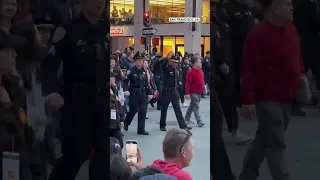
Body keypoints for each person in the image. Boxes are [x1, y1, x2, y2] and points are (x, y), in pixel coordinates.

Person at [42, 0, 109, 179]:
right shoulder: (68, 32)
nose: (99, 3)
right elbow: (49, 65)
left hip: (102, 102)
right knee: (75, 155)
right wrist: (52, 91)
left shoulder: (107, 30)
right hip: (76, 103)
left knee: (103, 156)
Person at [239, 0, 303, 179]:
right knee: (276, 142)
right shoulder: (258, 35)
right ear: (275, 7)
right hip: (267, 98)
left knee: (264, 138)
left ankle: (247, 174)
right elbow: (249, 69)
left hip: (287, 97)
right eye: (288, 4)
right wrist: (247, 100)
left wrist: (301, 77)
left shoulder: (291, 29)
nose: (292, 7)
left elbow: (296, 57)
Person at [0, 29, 45, 179]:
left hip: (21, 167)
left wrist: (35, 169)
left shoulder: (14, 87)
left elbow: (26, 130)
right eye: (9, 50)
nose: (15, 55)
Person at [213, 4, 252, 144]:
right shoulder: (214, 21)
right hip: (218, 70)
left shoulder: (223, 17)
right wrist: (219, 62)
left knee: (228, 99)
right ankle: (222, 133)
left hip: (227, 65)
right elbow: (215, 45)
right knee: (218, 107)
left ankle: (233, 130)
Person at [211, 2, 235, 180]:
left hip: (218, 77)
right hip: (215, 77)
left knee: (217, 125)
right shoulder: (212, 22)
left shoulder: (221, 17)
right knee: (215, 135)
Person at [224, 0, 256, 107]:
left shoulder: (249, 9)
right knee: (237, 73)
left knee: (248, 73)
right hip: (236, 48)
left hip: (249, 48)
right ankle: (237, 98)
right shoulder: (229, 8)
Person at [123, 52, 153, 135]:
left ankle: (141, 129)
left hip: (142, 93)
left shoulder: (144, 71)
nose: (141, 62)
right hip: (134, 93)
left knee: (143, 111)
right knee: (133, 109)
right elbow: (125, 82)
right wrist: (126, 90)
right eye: (139, 60)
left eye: (142, 60)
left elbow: (147, 84)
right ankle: (126, 122)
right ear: (135, 61)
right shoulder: (131, 71)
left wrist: (149, 93)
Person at [159, 56, 191, 132]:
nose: (175, 64)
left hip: (174, 91)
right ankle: (162, 125)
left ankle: (183, 125)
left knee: (177, 109)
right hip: (167, 91)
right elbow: (162, 65)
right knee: (164, 109)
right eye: (173, 62)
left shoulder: (176, 69)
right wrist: (167, 58)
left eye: (176, 62)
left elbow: (178, 78)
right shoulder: (166, 68)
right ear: (170, 62)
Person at [184, 57, 205, 127]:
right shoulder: (190, 72)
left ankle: (187, 118)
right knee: (196, 106)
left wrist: (204, 86)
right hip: (193, 92)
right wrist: (187, 93)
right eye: (199, 62)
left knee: (192, 105)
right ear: (195, 64)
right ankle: (199, 120)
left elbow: (202, 80)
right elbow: (188, 83)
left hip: (199, 92)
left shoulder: (201, 70)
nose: (201, 63)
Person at [110, 72, 125, 148]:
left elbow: (119, 105)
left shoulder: (114, 89)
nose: (114, 79)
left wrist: (122, 119)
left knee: (120, 144)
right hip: (109, 123)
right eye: (112, 77)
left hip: (115, 123)